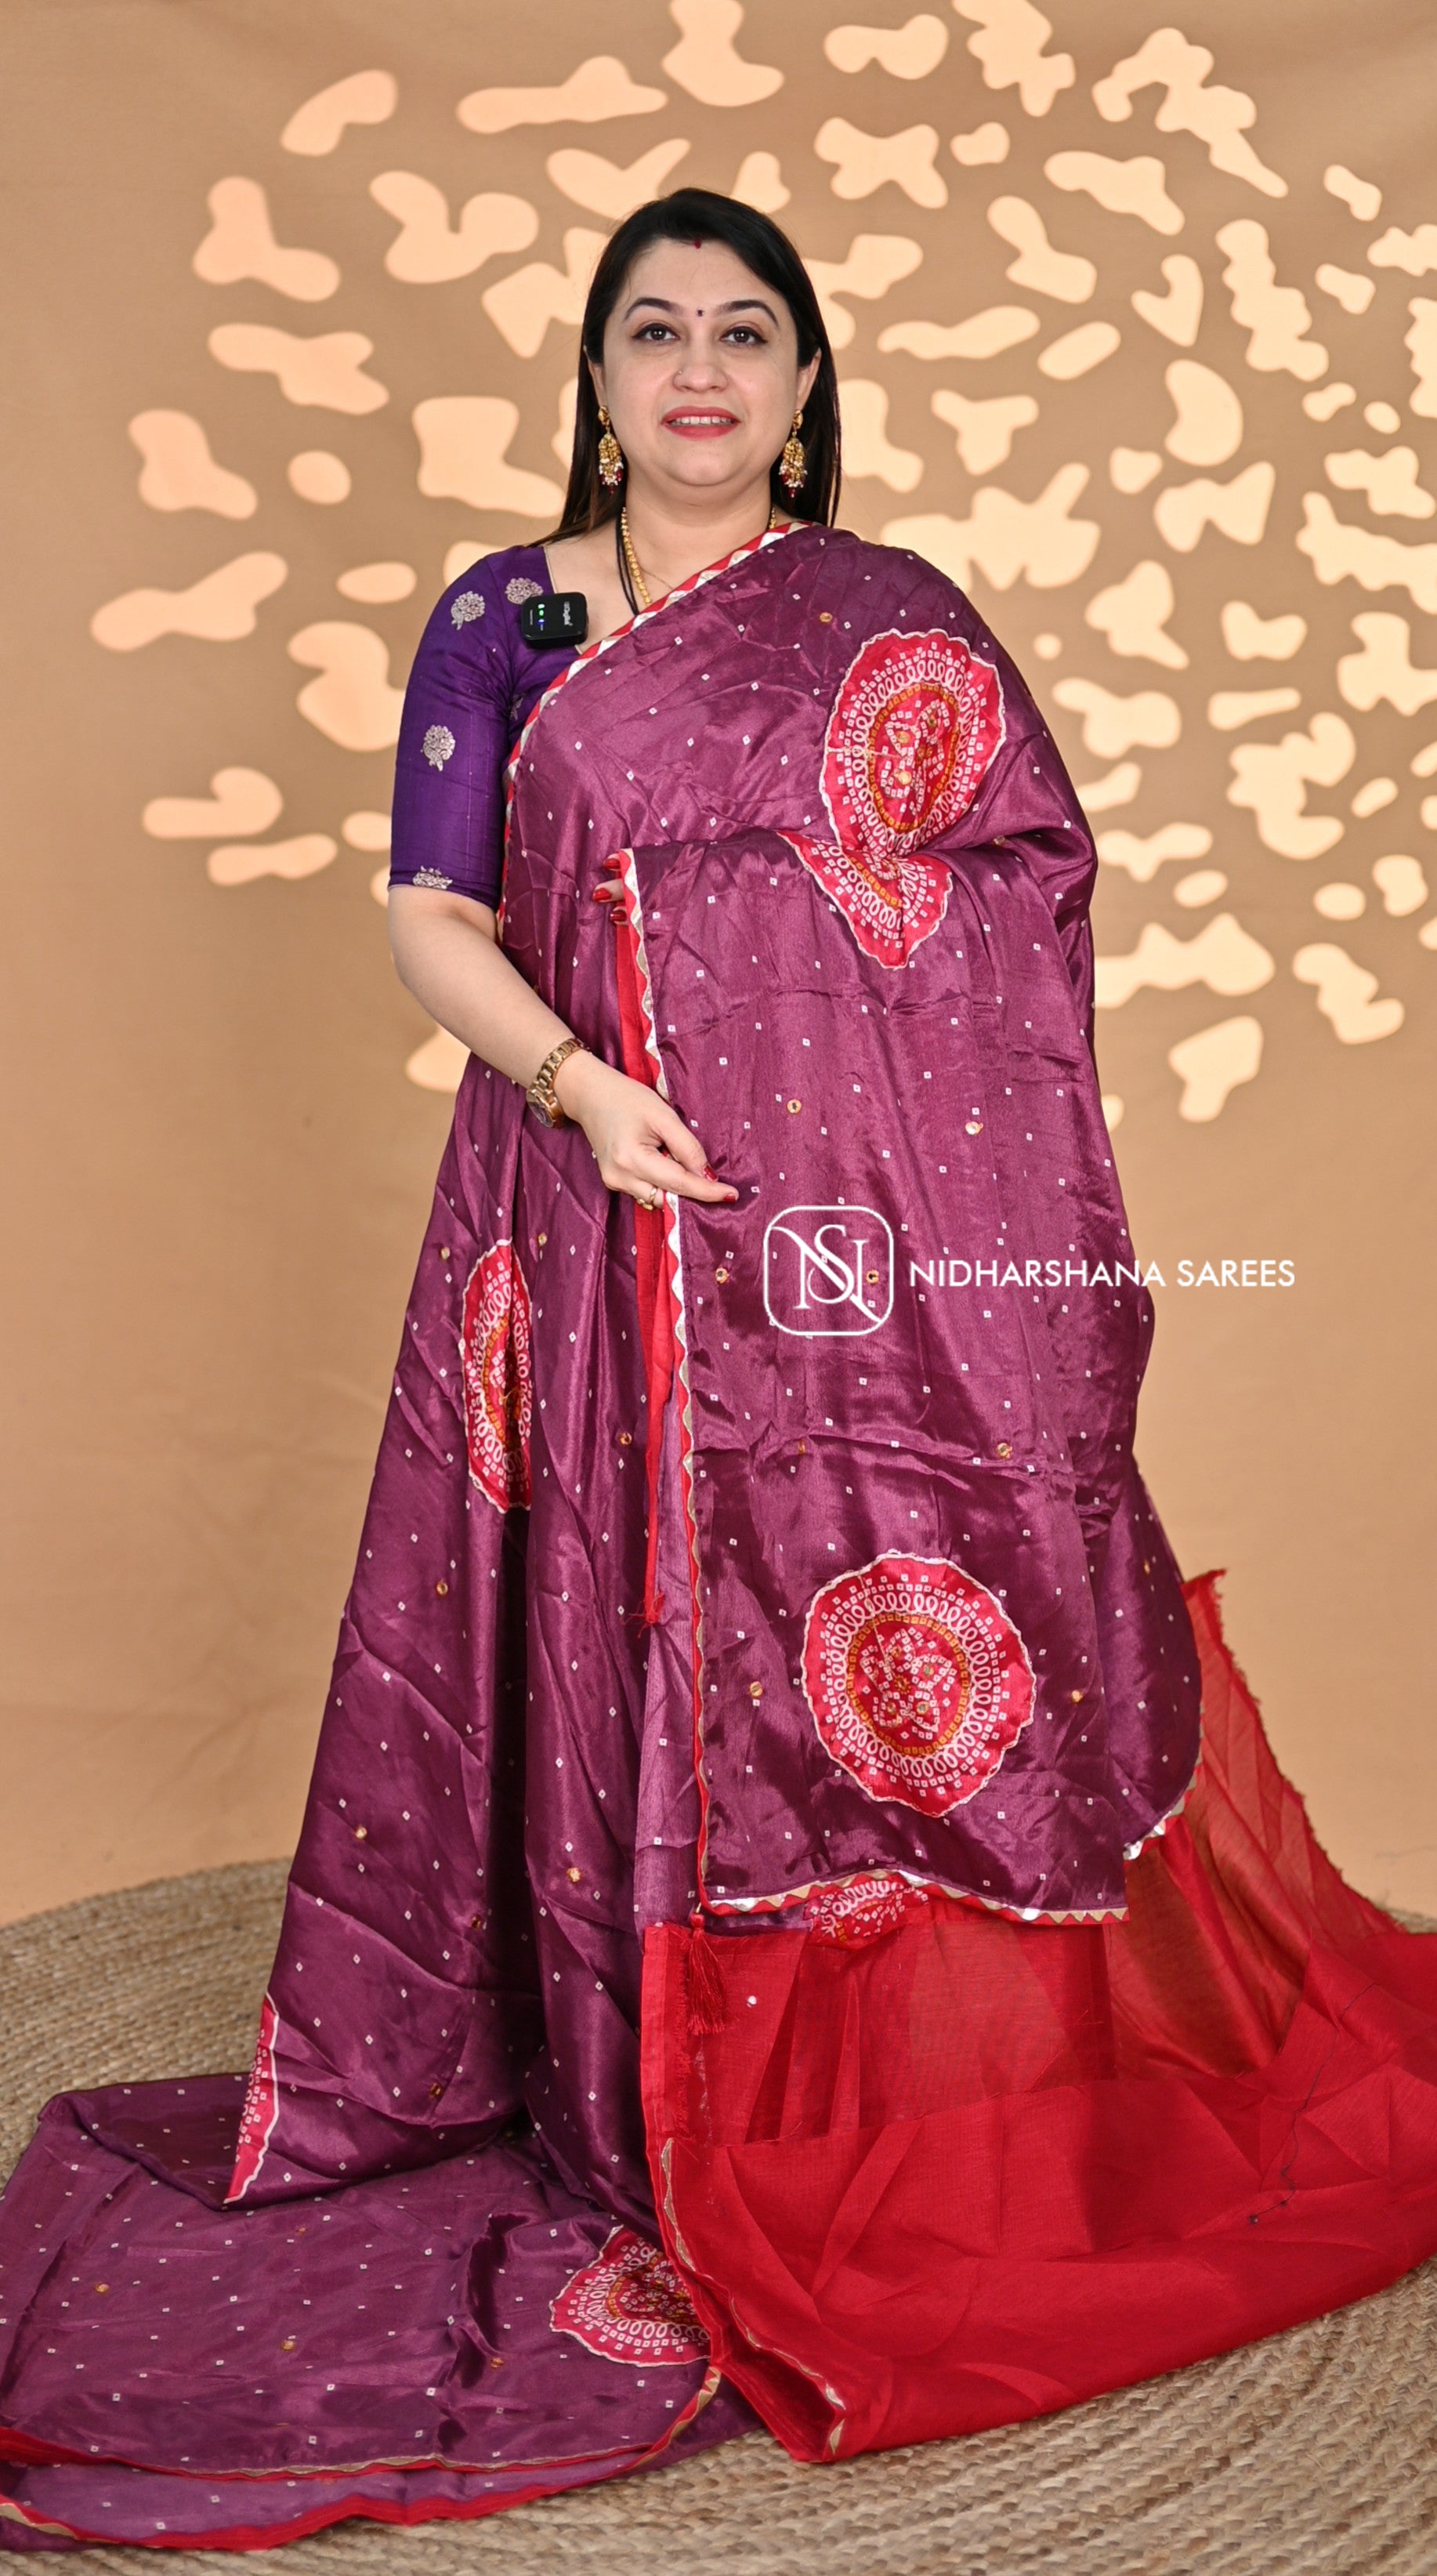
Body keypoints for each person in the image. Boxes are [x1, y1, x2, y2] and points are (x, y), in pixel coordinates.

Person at [3, 188, 1437, 2554]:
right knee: (607, 1614)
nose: (697, 370)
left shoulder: (888, 620)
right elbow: (427, 911)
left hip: (847, 1241)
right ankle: (620, 2089)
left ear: (801, 379)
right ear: (595, 378)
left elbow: (1018, 887)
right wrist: (583, 1086)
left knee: (830, 1623)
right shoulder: (512, 617)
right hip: (582, 1199)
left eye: (743, 332)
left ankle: (823, 2099)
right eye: (652, 331)